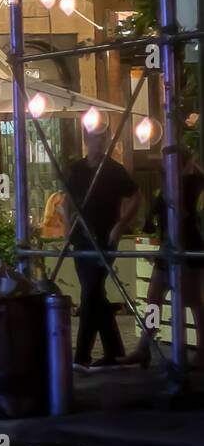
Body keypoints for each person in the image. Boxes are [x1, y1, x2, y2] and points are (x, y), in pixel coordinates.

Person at [62, 125, 140, 369]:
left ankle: (82, 356)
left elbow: (136, 197)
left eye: (102, 139)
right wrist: (66, 225)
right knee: (95, 293)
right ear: (87, 140)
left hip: (105, 238)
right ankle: (114, 352)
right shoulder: (76, 170)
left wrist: (120, 225)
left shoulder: (113, 171)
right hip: (81, 238)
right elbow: (66, 200)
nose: (100, 143)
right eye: (96, 139)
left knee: (90, 291)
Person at [124, 145, 204, 368]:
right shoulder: (166, 188)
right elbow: (152, 221)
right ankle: (144, 345)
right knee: (154, 298)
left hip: (189, 248)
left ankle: (201, 349)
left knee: (193, 300)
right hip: (169, 248)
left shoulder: (193, 186)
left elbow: (187, 216)